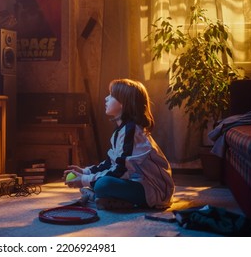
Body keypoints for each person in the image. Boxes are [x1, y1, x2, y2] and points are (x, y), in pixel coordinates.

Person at [64, 78, 175, 210]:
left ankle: (102, 198)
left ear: (124, 103)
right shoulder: (121, 130)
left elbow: (121, 170)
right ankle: (107, 199)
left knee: (103, 184)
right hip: (135, 181)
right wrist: (85, 171)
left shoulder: (131, 131)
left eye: (111, 95)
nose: (106, 98)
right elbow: (111, 163)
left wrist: (84, 180)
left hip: (154, 190)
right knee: (101, 182)